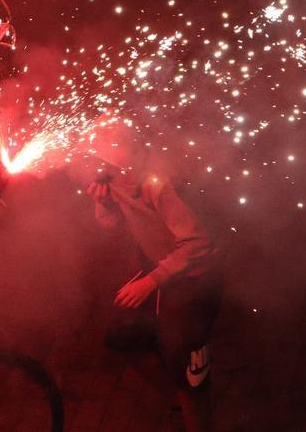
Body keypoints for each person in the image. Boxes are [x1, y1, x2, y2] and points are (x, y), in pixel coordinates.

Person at [87, 169, 222, 432]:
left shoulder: (159, 184)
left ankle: (197, 419)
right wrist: (105, 205)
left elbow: (199, 244)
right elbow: (114, 224)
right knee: (122, 336)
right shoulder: (112, 175)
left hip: (195, 277)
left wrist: (151, 281)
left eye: (108, 136)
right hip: (158, 265)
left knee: (190, 374)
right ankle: (178, 404)